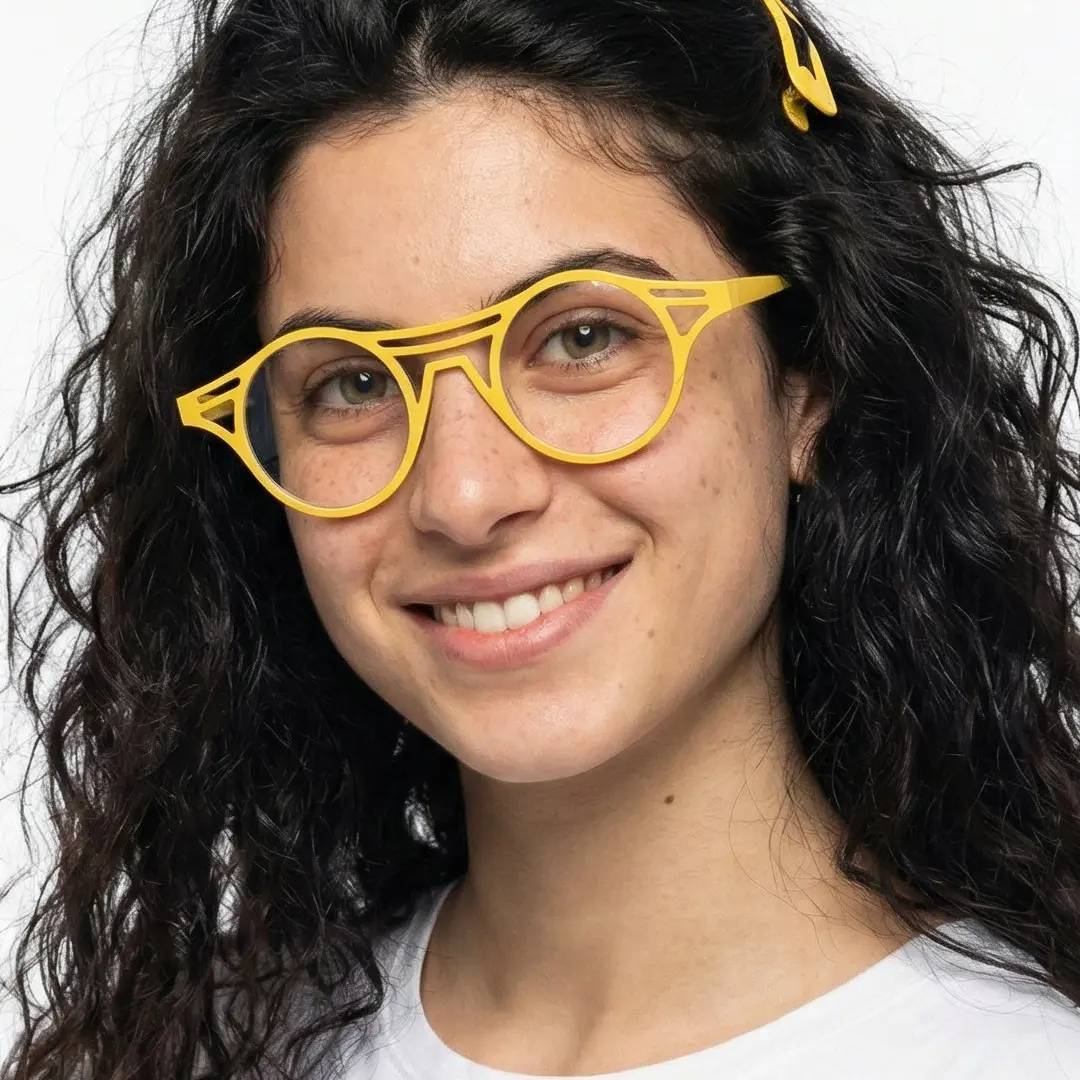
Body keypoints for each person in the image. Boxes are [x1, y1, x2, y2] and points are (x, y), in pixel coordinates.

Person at [3, 0, 1080, 1076]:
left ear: (808, 380)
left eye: (582, 337)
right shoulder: (179, 1055)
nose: (464, 495)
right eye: (355, 384)